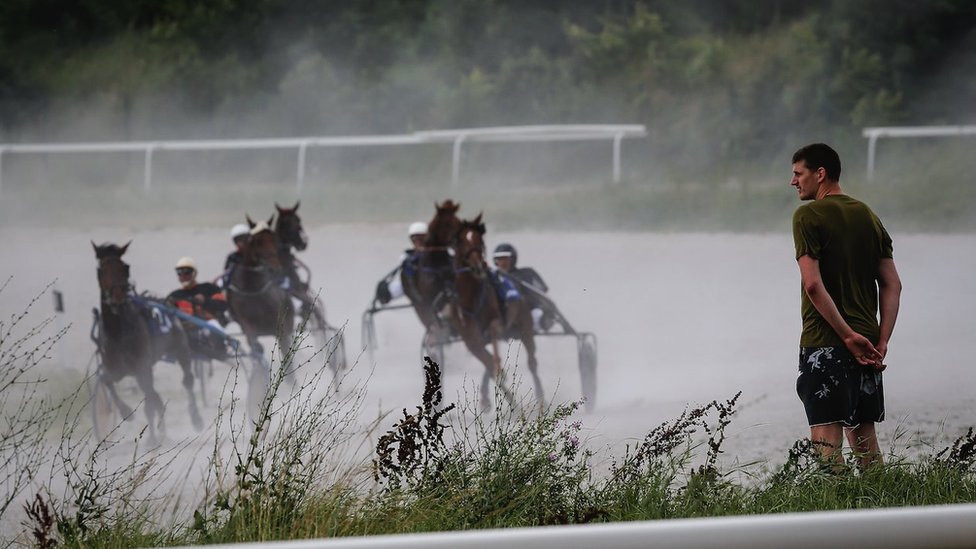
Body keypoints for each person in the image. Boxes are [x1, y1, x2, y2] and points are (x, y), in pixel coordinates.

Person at [790, 143, 902, 471]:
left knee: (826, 447)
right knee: (866, 444)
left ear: (820, 173)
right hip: (868, 345)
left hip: (826, 342)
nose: (793, 181)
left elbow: (812, 284)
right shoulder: (867, 215)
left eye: (798, 173)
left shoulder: (807, 216)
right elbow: (893, 284)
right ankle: (882, 514)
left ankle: (834, 517)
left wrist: (847, 336)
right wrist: (881, 341)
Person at [167, 256, 231, 358]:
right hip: (184, 328)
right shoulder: (174, 295)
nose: (183, 275)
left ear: (194, 273)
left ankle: (221, 352)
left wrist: (205, 301)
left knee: (214, 327)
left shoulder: (209, 288)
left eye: (187, 272)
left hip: (207, 324)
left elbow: (223, 305)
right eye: (179, 273)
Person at [492, 243, 554, 332]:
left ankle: (543, 322)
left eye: (506, 258)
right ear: (495, 261)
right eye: (499, 259)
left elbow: (542, 290)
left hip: (529, 309)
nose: (502, 262)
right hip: (503, 312)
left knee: (538, 316)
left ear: (513, 259)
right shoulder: (494, 277)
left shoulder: (527, 273)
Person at [375, 221, 427, 305]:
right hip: (412, 282)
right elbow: (407, 272)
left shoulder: (436, 253)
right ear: (411, 240)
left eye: (421, 238)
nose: (418, 241)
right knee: (384, 290)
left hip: (434, 282)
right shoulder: (407, 255)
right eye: (415, 239)